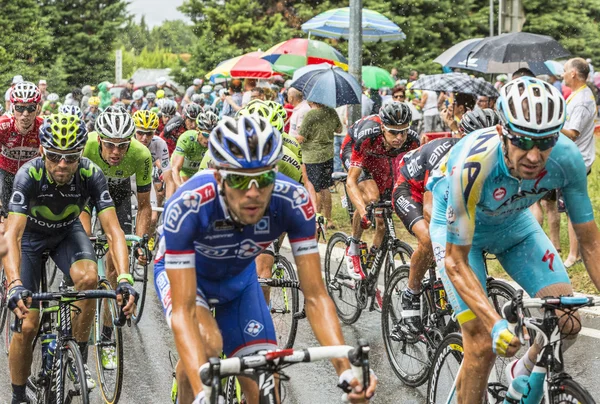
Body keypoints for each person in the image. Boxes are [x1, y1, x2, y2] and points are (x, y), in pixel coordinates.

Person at [163, 114, 377, 403]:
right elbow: (183, 312)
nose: (253, 193)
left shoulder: (293, 201)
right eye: (239, 180)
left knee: (265, 380)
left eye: (263, 178)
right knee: (207, 346)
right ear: (217, 176)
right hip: (190, 281)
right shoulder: (189, 205)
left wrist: (346, 370)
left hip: (238, 281)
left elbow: (315, 296)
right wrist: (203, 393)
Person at [427, 77, 600, 402]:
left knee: (567, 323)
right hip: (462, 237)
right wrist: (494, 325)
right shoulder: (474, 165)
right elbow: (455, 261)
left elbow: (590, 243)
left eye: (546, 141)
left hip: (513, 225)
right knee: (480, 343)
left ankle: (521, 373)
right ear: (502, 133)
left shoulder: (567, 158)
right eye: (522, 140)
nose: (535, 156)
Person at [4, 114, 137, 403]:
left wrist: (125, 277)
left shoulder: (90, 174)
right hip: (30, 239)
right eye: (54, 156)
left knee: (91, 280)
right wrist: (14, 283)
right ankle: (17, 394)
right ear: (42, 151)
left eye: (71, 157)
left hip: (67, 233)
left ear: (80, 154)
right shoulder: (29, 174)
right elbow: (12, 235)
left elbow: (114, 230)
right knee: (27, 325)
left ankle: (77, 353)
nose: (62, 164)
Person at [393, 108, 499, 333]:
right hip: (410, 188)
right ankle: (410, 294)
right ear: (464, 138)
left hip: (438, 195)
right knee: (430, 239)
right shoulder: (448, 157)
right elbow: (431, 211)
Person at [341, 102, 420, 280]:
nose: (399, 137)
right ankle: (353, 246)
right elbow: (351, 181)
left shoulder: (412, 140)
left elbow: (416, 178)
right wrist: (362, 211)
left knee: (382, 219)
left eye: (403, 131)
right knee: (371, 197)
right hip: (355, 149)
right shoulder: (369, 134)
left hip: (381, 156)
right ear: (383, 127)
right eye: (393, 132)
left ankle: (371, 266)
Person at [81, 106, 152, 294]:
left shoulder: (141, 154)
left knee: (115, 266)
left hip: (119, 193)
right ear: (99, 140)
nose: (116, 152)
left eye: (122, 146)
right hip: (88, 191)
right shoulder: (85, 146)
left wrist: (139, 242)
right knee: (84, 238)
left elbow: (144, 206)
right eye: (109, 145)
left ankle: (108, 322)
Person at [560, 57, 597, 268]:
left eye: (565, 70)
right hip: (573, 158)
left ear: (574, 73)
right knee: (569, 206)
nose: (562, 74)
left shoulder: (582, 100)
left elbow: (572, 133)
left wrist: (552, 125)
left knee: (573, 206)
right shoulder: (577, 95)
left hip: (576, 161)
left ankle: (574, 255)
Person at [0, 82, 44, 212]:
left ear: (37, 108)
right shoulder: (3, 126)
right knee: (5, 210)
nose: (25, 114)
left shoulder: (43, 127)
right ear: (13, 108)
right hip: (5, 171)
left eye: (30, 108)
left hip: (31, 173)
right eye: (20, 108)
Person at [133, 110, 173, 244]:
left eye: (149, 133)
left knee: (154, 218)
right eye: (140, 133)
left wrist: (171, 200)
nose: (144, 138)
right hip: (127, 180)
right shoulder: (127, 142)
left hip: (144, 180)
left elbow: (168, 176)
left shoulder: (160, 144)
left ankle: (143, 245)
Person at [298, 102, 341, 226]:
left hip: (312, 156)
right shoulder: (331, 111)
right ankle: (329, 219)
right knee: (325, 187)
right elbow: (339, 129)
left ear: (312, 100)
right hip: (327, 155)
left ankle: (316, 220)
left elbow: (301, 138)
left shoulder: (311, 115)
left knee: (314, 189)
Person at [170, 110, 217, 186]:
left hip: (197, 172)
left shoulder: (215, 143)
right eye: (206, 135)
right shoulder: (187, 138)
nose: (208, 140)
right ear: (198, 129)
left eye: (212, 136)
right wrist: (180, 187)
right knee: (182, 187)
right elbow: (176, 168)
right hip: (182, 170)